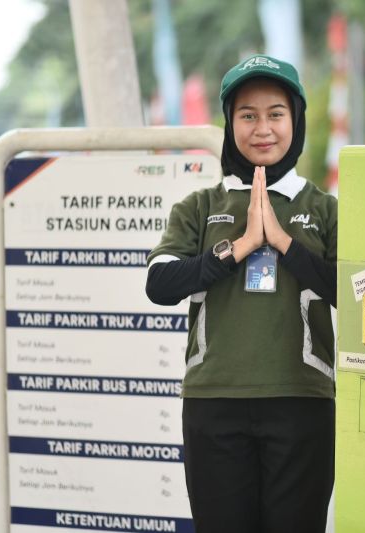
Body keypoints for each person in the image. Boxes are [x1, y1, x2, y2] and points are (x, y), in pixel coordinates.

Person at [145, 54, 337, 533]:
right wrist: (240, 247)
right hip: (214, 403)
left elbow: (351, 291)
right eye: (247, 115)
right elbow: (160, 284)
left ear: (296, 119)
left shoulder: (324, 208)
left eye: (276, 113)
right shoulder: (200, 205)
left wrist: (285, 243)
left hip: (302, 400)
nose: (262, 128)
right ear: (230, 125)